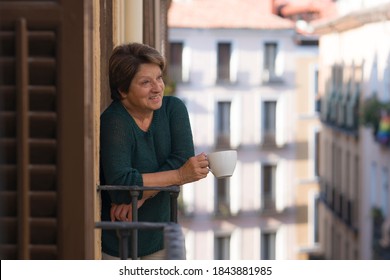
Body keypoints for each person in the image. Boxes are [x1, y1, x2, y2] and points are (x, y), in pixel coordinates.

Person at [100, 42, 209, 260]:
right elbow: (122, 185)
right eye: (145, 82)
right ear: (122, 90)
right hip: (116, 247)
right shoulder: (114, 121)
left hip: (162, 241)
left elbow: (181, 159)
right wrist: (178, 176)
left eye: (159, 78)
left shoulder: (173, 109)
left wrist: (139, 196)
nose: (157, 87)